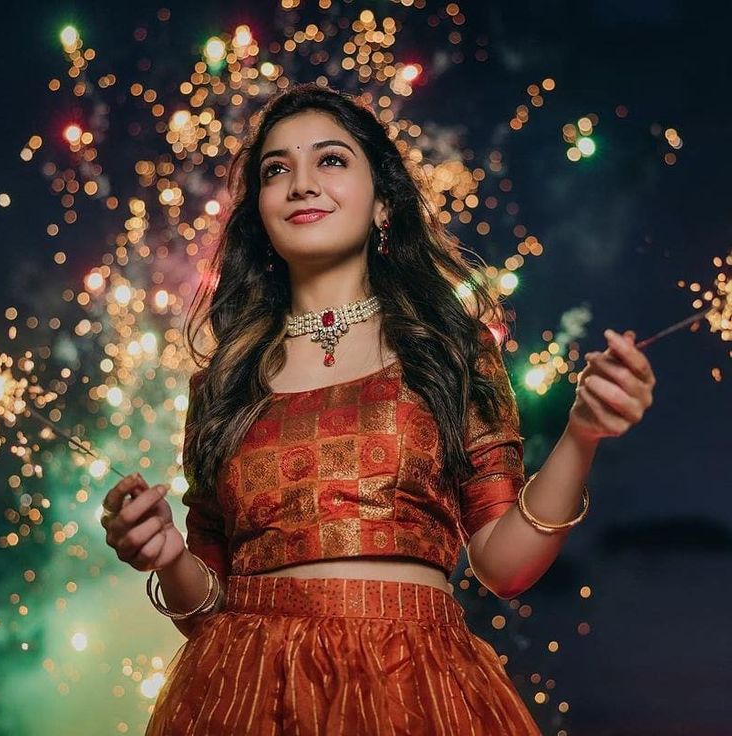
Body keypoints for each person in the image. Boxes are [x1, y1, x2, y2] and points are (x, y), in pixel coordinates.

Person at [100, 82, 656, 735]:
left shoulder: (452, 351)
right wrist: (166, 555)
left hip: (418, 689)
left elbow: (504, 567)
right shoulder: (222, 383)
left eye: (331, 160)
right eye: (277, 170)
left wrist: (582, 435)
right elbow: (206, 611)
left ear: (381, 199)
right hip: (248, 695)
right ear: (260, 211)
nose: (302, 183)